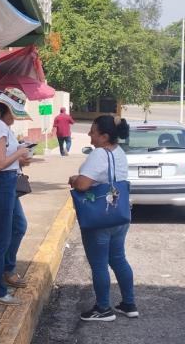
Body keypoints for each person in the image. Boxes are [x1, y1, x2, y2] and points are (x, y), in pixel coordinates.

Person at [67, 115, 137, 322]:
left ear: (104, 136)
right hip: (120, 215)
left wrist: (74, 178)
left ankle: (103, 308)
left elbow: (82, 185)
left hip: (99, 218)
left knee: (99, 264)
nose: (89, 134)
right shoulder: (120, 153)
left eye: (93, 131)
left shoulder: (99, 154)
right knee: (118, 259)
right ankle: (129, 303)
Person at [0, 88, 33, 306]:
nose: (14, 118)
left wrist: (18, 158)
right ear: (6, 110)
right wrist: (20, 152)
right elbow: (0, 163)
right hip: (0, 184)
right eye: (14, 113)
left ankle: (1, 278)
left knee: (8, 231)